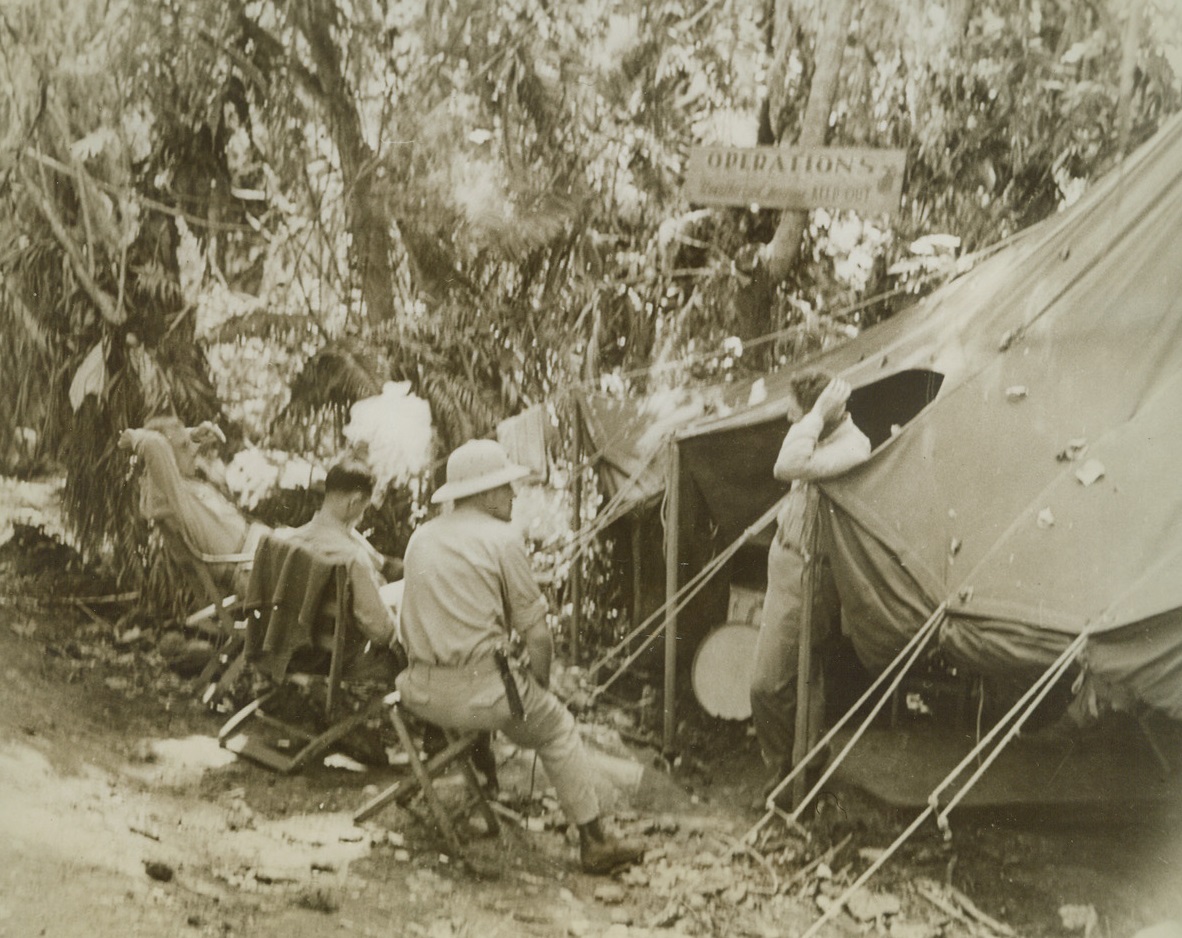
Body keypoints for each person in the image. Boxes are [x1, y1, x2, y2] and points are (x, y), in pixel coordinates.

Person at [396, 439, 645, 875]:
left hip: (420, 694)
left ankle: (480, 781)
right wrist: (541, 682)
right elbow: (538, 637)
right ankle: (594, 840)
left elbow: (407, 623)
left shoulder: (422, 536)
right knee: (557, 728)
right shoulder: (502, 538)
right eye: (506, 488)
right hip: (481, 697)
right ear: (487, 492)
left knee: (499, 690)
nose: (513, 496)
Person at [749, 372, 871, 803]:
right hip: (785, 561)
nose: (789, 415)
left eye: (796, 409)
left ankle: (797, 775)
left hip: (812, 571)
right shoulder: (815, 437)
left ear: (822, 410)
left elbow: (787, 467)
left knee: (778, 681)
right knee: (797, 679)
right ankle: (796, 771)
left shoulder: (853, 445)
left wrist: (817, 415)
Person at [119, 416, 267, 590]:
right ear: (166, 458)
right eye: (184, 445)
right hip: (251, 567)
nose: (193, 449)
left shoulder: (182, 486)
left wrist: (192, 435)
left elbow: (167, 445)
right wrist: (136, 436)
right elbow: (155, 444)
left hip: (257, 552)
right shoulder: (167, 494)